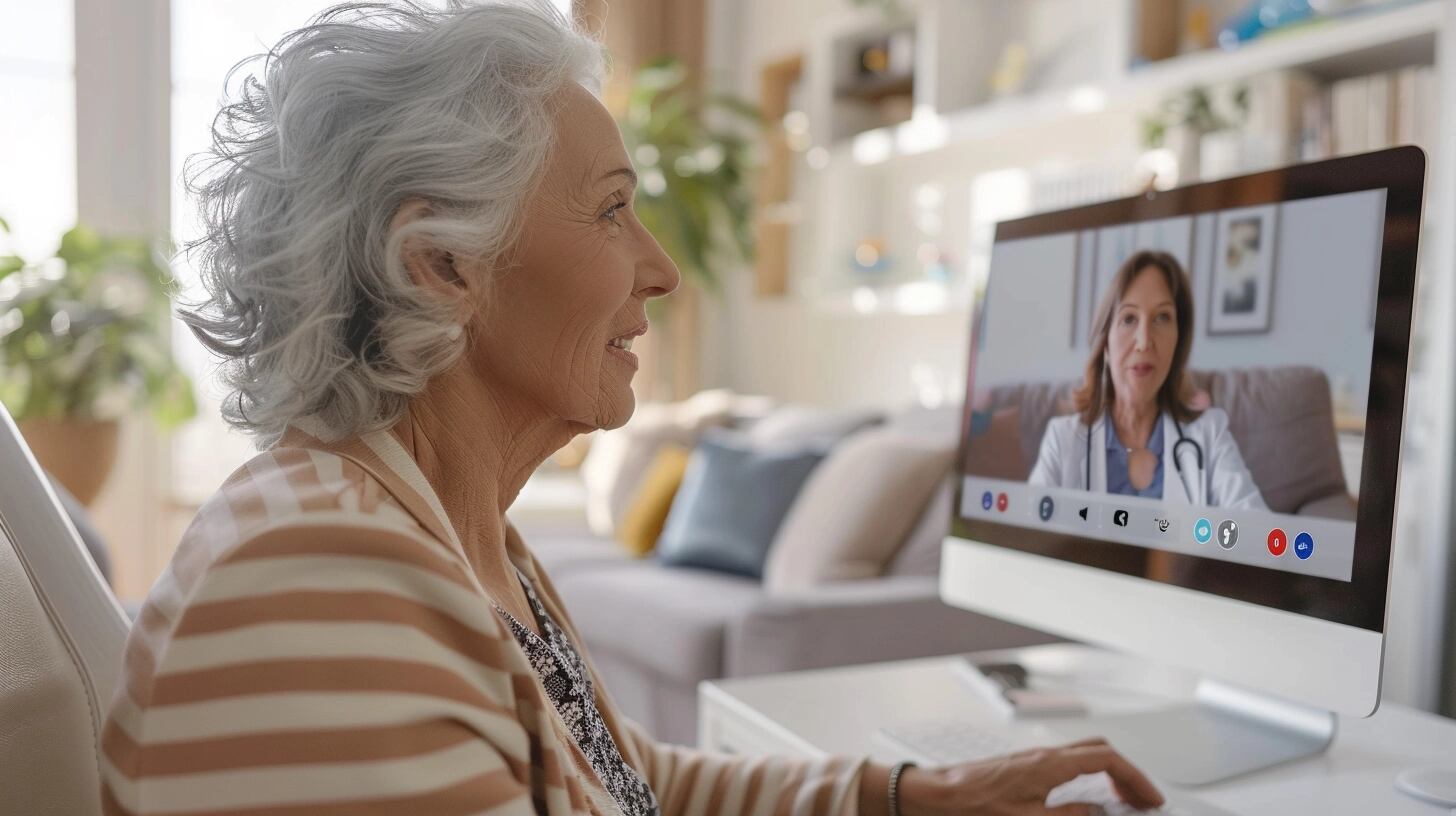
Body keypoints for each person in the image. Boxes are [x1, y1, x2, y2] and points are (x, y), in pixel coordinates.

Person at [100, 3, 1164, 814]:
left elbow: (613, 775)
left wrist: (901, 795)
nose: (661, 269)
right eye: (612, 209)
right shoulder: (325, 588)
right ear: (441, 265)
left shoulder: (438, 535)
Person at [1029, 250, 1266, 509]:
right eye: (1129, 319)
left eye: (1162, 317)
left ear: (1178, 340)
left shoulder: (1210, 434)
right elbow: (1028, 535)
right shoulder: (1062, 439)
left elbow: (1256, 531)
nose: (1143, 341)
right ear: (1105, 344)